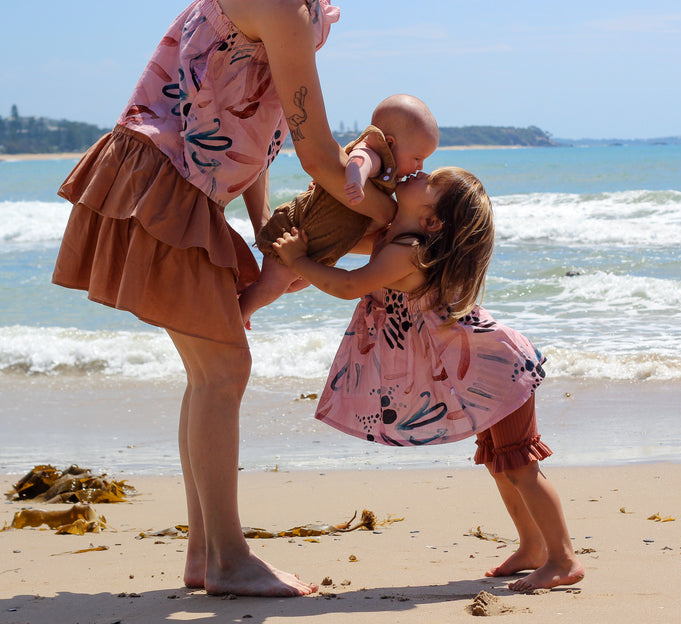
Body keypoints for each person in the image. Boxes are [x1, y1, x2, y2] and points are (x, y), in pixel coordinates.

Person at [52, 0, 394, 597]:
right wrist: (406, 218)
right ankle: (228, 560)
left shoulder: (288, 9)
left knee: (211, 371)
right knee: (223, 369)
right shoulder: (285, 8)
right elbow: (318, 156)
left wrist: (264, 231)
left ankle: (206, 554)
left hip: (166, 178)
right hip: (164, 180)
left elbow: (252, 118)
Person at [271, 167, 586, 591]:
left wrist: (298, 262)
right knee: (500, 464)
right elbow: (344, 238)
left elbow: (348, 286)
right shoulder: (394, 237)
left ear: (431, 220)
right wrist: (323, 201)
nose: (418, 172)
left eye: (430, 180)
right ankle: (532, 547)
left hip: (493, 369)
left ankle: (564, 559)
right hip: (471, 372)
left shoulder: (409, 251)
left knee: (519, 464)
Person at [240, 94, 439, 328]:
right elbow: (360, 159)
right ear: (391, 143)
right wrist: (356, 179)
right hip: (296, 235)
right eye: (417, 158)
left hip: (319, 248)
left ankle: (242, 295)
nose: (420, 167)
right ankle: (239, 314)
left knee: (292, 283)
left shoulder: (390, 173)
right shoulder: (378, 155)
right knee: (270, 288)